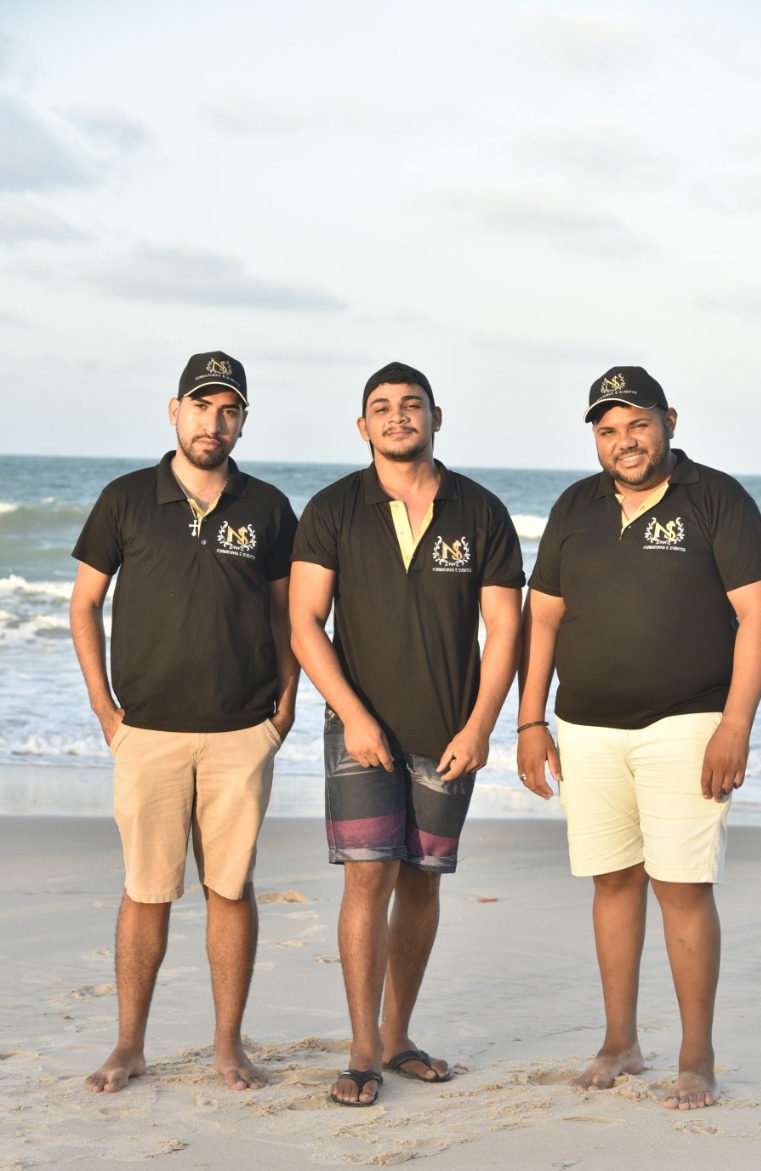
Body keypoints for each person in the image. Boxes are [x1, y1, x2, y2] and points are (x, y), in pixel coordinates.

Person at [517, 365, 761, 1110]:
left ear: (668, 420)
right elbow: (543, 619)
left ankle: (697, 1056)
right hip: (585, 727)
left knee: (682, 886)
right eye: (608, 430)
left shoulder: (716, 498)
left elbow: (760, 612)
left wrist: (735, 725)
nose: (624, 441)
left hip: (688, 723)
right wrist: (531, 721)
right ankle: (620, 1043)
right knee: (612, 880)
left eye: (637, 424)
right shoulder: (575, 505)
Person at [289, 361, 524, 1106]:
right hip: (359, 728)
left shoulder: (480, 511)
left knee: (421, 881)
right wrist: (353, 716)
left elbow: (505, 626)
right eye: (383, 407)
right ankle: (362, 1048)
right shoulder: (333, 508)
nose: (398, 416)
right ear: (363, 426)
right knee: (368, 876)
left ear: (435, 417)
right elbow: (304, 622)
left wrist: (482, 726)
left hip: (450, 731)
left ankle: (398, 1037)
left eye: (411, 404)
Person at [70, 351, 299, 1094]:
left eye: (229, 410)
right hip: (148, 732)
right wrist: (105, 709)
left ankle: (228, 1048)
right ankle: (129, 1046)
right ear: (175, 411)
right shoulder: (126, 499)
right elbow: (84, 604)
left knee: (230, 888)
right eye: (202, 406)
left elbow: (287, 615)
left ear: (243, 421)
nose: (214, 422)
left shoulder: (268, 507)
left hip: (241, 731)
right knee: (146, 890)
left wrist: (285, 704)